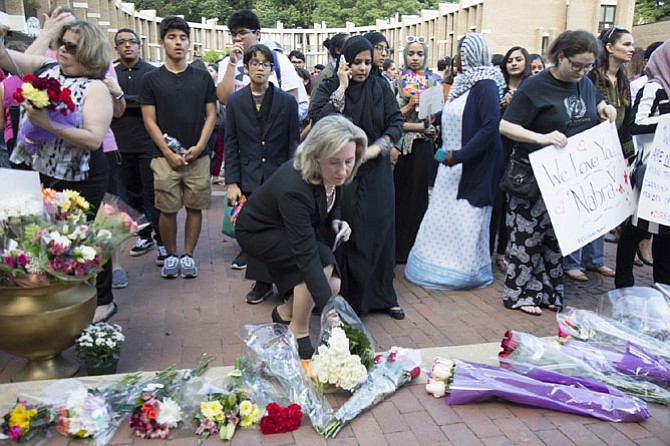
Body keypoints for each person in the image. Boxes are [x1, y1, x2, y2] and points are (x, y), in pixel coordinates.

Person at [0, 21, 121, 322]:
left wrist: (48, 124)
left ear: (89, 51)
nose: (62, 50)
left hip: (80, 175)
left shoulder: (96, 87)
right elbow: (5, 59)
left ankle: (103, 300)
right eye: (61, 43)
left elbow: (94, 138)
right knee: (42, 237)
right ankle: (57, 294)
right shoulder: (47, 68)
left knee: (87, 239)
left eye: (71, 46)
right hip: (40, 168)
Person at [499, 30, 616, 316]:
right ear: (561, 56)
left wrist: (605, 108)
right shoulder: (534, 87)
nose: (582, 71)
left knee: (556, 239)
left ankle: (548, 292)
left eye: (588, 66)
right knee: (527, 237)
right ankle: (520, 293)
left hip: (569, 176)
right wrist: (542, 138)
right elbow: (506, 126)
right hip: (533, 174)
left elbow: (595, 102)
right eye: (576, 65)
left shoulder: (585, 83)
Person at [235, 115, 365, 359]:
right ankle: (298, 330)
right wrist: (331, 314)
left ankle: (285, 313)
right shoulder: (295, 188)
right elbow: (306, 257)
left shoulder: (335, 171)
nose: (343, 170)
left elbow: (332, 197)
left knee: (333, 284)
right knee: (321, 265)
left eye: (349, 161)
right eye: (335, 163)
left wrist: (337, 219)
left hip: (286, 226)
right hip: (258, 232)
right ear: (317, 156)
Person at [310, 36, 404, 319]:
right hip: (342, 173)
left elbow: (395, 123)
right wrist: (341, 86)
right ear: (344, 62)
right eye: (356, 62)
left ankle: (383, 296)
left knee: (379, 229)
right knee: (344, 230)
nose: (362, 68)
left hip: (375, 171)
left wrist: (376, 150)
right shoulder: (329, 86)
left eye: (366, 61)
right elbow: (320, 121)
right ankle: (341, 297)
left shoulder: (381, 87)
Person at [404, 33, 505, 290]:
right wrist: (434, 118)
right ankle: (437, 264)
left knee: (467, 216)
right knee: (444, 214)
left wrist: (459, 156)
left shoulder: (486, 84)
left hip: (471, 164)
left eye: (461, 51)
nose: (457, 57)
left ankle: (464, 270)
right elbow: (456, 109)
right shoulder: (464, 83)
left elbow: (489, 126)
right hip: (452, 164)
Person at [139, 15, 217, 280]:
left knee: (195, 207)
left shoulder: (202, 77)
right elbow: (149, 120)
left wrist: (200, 146)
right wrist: (168, 152)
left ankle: (187, 255)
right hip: (163, 158)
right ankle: (171, 255)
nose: (178, 43)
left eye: (183, 38)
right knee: (167, 208)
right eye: (172, 37)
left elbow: (211, 114)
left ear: (189, 43)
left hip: (198, 155)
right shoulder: (151, 80)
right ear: (162, 42)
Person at [225, 44, 300, 303]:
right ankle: (261, 283)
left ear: (272, 69)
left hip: (279, 176)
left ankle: (288, 282)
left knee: (284, 229)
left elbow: (294, 142)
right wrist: (232, 182)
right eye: (254, 63)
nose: (260, 68)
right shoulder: (235, 101)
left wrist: (293, 176)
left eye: (265, 64)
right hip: (248, 177)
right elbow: (231, 142)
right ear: (246, 68)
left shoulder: (287, 101)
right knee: (256, 231)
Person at [561, 27, 634, 282]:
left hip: (612, 151)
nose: (631, 49)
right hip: (588, 151)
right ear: (610, 47)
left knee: (602, 207)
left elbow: (628, 121)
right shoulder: (591, 77)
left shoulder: (623, 80)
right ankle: (572, 261)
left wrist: (626, 154)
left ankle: (595, 259)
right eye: (626, 43)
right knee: (582, 205)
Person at [615, 38, 670, 289]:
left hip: (666, 171)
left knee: (667, 232)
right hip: (651, 168)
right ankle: (624, 284)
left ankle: (663, 286)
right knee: (637, 228)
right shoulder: (653, 87)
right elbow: (636, 123)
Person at [111, 28, 166, 268]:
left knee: (152, 194)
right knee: (131, 194)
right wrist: (131, 101)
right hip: (122, 144)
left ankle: (162, 240)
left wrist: (124, 99)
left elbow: (155, 106)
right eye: (121, 43)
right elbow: (111, 106)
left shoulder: (152, 73)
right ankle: (143, 236)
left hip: (148, 143)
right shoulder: (111, 73)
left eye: (131, 42)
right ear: (117, 48)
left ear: (139, 45)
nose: (127, 46)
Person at [392, 35, 438, 263]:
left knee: (418, 197)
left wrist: (425, 118)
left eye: (420, 54)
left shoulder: (431, 82)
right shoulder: (395, 80)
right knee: (399, 195)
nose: (415, 58)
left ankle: (414, 249)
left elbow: (432, 122)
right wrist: (409, 106)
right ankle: (398, 249)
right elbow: (390, 118)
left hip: (421, 146)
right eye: (411, 53)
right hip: (399, 147)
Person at [492, 46, 531, 274]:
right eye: (510, 60)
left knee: (514, 205)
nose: (514, 63)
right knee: (498, 202)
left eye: (519, 59)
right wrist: (502, 105)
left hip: (521, 153)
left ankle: (504, 252)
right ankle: (493, 251)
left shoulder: (530, 88)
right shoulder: (498, 87)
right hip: (499, 150)